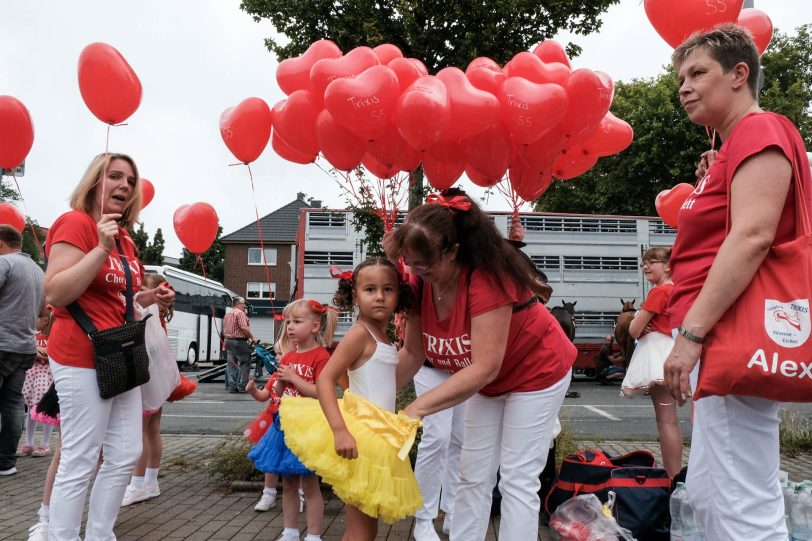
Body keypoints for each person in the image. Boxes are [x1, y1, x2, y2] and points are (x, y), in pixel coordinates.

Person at [663, 24, 812, 540]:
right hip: (728, 331)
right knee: (711, 495)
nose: (684, 86)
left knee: (741, 504)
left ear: (739, 74)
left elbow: (751, 235)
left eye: (698, 73)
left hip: (731, 330)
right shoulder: (739, 141)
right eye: (681, 76)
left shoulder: (758, 129)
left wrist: (692, 335)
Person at [384, 189, 577, 541]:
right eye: (410, 264)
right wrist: (372, 402)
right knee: (472, 472)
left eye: (425, 265)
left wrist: (415, 409)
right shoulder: (419, 281)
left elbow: (485, 366)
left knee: (517, 477)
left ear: (454, 251)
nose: (416, 273)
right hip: (488, 380)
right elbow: (412, 354)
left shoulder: (487, 278)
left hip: (536, 370)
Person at [43, 153, 175, 540]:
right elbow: (57, 291)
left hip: (120, 353)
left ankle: (100, 534)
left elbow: (113, 299)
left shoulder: (125, 237)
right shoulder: (77, 224)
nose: (124, 186)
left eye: (131, 181)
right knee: (81, 458)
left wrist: (150, 298)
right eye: (114, 177)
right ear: (93, 183)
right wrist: (100, 248)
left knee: (123, 455)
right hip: (81, 356)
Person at [281, 256, 421, 541]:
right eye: (370, 290)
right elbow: (325, 379)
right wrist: (339, 430)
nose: (379, 297)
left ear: (399, 294)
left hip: (378, 433)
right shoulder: (360, 333)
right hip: (361, 437)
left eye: (388, 289)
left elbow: (399, 367)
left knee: (364, 529)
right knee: (362, 529)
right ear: (354, 294)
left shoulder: (382, 334)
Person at [247, 298, 337, 541]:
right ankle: (289, 532)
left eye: (297, 321)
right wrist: (265, 389)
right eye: (288, 322)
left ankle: (314, 535)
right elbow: (277, 393)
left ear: (315, 327)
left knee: (310, 485)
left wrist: (295, 379)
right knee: (288, 484)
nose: (290, 327)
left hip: (308, 429)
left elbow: (322, 392)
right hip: (285, 427)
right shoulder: (286, 358)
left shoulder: (321, 357)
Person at [620, 247, 681, 477]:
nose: (646, 266)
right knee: (670, 418)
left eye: (652, 262)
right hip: (672, 350)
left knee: (666, 420)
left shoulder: (659, 292)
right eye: (644, 263)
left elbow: (633, 330)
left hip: (657, 356)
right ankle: (674, 476)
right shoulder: (677, 290)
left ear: (667, 266)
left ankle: (672, 477)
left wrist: (640, 323)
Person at [121, 272, 177, 506]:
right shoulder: (160, 314)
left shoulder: (149, 311)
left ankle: (137, 484)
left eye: (144, 287)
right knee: (152, 430)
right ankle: (150, 482)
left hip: (146, 376)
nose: (140, 291)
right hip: (157, 375)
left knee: (142, 432)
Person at [0, 224, 46, 477]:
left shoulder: (4, 264)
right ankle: (6, 462)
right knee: (13, 405)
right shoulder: (38, 271)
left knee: (11, 405)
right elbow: (43, 313)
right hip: (24, 348)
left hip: (1, 343)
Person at [18, 309, 55, 458]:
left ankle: (45, 444)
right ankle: (29, 442)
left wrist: (43, 354)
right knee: (31, 408)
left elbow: (51, 354)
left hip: (46, 374)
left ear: (44, 320)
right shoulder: (34, 335)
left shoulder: (52, 336)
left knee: (46, 408)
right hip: (32, 374)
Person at [223, 296, 257, 393]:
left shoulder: (228, 313)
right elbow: (244, 328)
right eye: (243, 304)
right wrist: (252, 337)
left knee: (231, 364)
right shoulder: (240, 313)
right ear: (238, 304)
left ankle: (232, 387)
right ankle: (242, 386)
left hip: (228, 341)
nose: (244, 306)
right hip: (239, 341)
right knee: (245, 363)